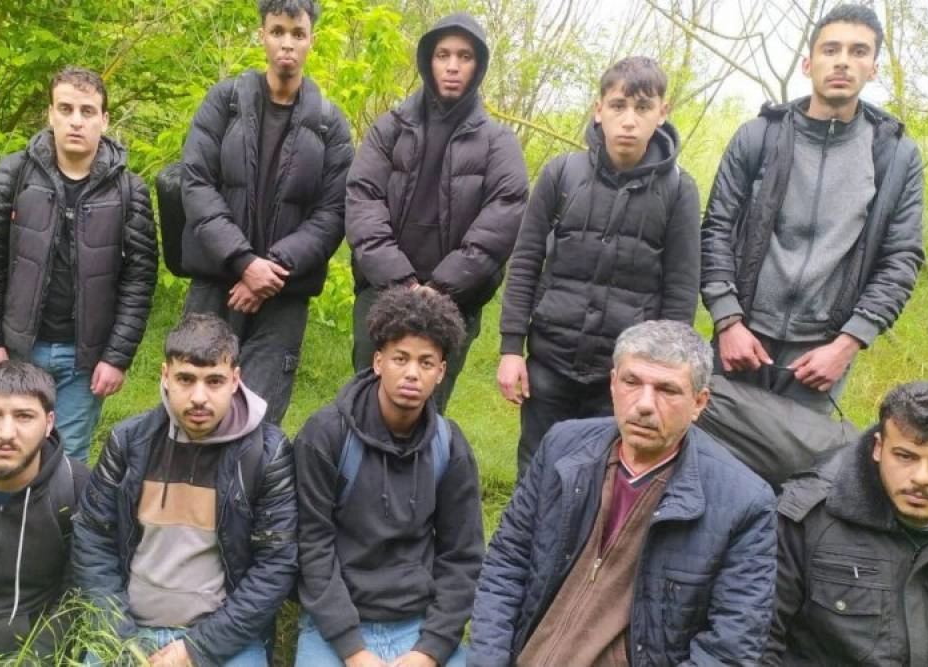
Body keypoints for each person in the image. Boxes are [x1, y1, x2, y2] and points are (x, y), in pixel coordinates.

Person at [469, 320, 777, 667]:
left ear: (699, 402)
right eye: (632, 382)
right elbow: (506, 564)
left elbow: (729, 650)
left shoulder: (744, 502)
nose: (644, 404)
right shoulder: (562, 446)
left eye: (667, 390)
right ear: (613, 383)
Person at [700, 4, 924, 414]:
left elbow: (900, 258)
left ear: (874, 68)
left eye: (858, 51)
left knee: (800, 456)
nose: (843, 61)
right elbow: (717, 227)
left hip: (822, 356)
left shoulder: (894, 156)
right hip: (741, 341)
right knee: (714, 449)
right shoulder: (758, 136)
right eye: (830, 49)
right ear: (808, 63)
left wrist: (848, 343)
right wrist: (727, 320)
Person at [498, 56, 700, 475]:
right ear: (598, 109)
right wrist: (511, 349)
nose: (629, 120)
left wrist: (663, 371)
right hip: (550, 359)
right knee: (536, 469)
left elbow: (681, 289)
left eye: (642, 108)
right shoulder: (561, 174)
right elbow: (526, 261)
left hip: (625, 372)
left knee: (604, 477)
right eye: (618, 105)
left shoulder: (679, 190)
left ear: (662, 112)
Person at [73, 313, 297, 665]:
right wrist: (121, 637)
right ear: (165, 375)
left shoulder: (267, 453)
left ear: (235, 380)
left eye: (214, 381)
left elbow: (275, 564)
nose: (199, 397)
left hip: (224, 639)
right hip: (126, 631)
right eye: (186, 379)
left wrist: (197, 649)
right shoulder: (128, 442)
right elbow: (92, 538)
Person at [0, 66, 158, 462]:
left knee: (67, 462)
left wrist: (116, 357)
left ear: (104, 119)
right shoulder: (14, 174)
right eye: (66, 109)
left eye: (87, 111)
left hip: (85, 360)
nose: (76, 121)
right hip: (17, 348)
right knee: (7, 452)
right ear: (50, 114)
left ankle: (61, 508)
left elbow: (139, 281)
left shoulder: (130, 191)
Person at [345, 11, 528, 412]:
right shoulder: (389, 129)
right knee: (366, 401)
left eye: (464, 56)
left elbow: (503, 216)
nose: (452, 66)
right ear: (428, 60)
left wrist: (440, 288)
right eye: (443, 55)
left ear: (478, 66)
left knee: (425, 408)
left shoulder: (499, 143)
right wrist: (402, 283)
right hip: (382, 291)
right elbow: (362, 200)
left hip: (455, 301)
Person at [180, 0, 353, 424]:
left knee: (256, 422)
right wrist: (243, 262)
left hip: (282, 296)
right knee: (192, 413)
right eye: (277, 32)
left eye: (297, 33)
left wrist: (268, 272)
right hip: (215, 285)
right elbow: (197, 184)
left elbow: (332, 214)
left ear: (311, 39)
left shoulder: (330, 124)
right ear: (262, 35)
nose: (287, 44)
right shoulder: (224, 103)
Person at [294, 287, 483, 667]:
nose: (412, 373)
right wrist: (353, 651)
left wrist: (429, 651)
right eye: (401, 358)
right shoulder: (326, 436)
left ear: (441, 372)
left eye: (426, 362)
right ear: (378, 362)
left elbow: (463, 557)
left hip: (418, 625)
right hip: (334, 626)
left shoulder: (450, 446)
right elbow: (312, 546)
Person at [766, 381, 928, 665]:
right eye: (905, 456)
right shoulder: (809, 518)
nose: (921, 478)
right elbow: (757, 640)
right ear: (879, 448)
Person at [0, 361, 89, 659]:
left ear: (49, 423)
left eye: (24, 416)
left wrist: (33, 659)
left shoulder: (78, 487)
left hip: (29, 645)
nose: (6, 433)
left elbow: (78, 593)